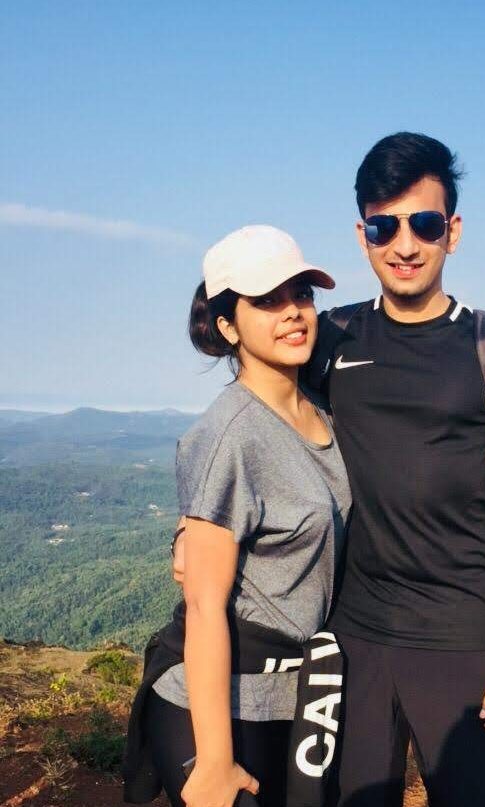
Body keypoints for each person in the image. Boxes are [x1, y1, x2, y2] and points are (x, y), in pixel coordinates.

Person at [174, 132, 485, 807]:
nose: (405, 244)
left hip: (463, 641)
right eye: (385, 225)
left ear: (453, 230)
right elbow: (243, 423)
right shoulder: (329, 338)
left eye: (423, 223)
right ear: (362, 235)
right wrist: (191, 531)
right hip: (348, 644)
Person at [124, 225, 351, 807]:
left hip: (300, 697)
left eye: (301, 294)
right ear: (228, 326)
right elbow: (203, 606)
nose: (294, 313)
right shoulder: (229, 435)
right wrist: (216, 761)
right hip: (224, 701)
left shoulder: (325, 413)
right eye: (268, 301)